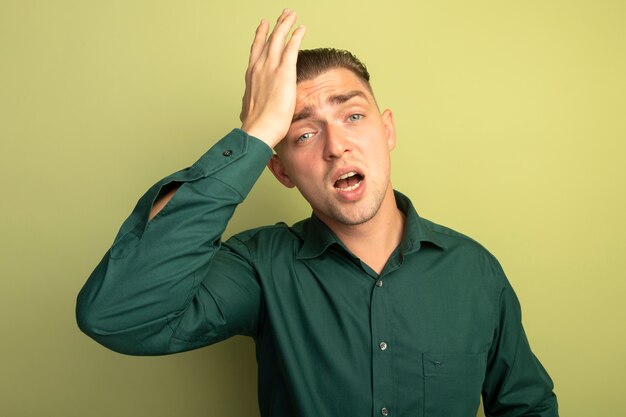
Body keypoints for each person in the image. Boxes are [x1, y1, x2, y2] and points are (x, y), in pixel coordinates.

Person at [76, 9, 558, 417]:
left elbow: (527, 406)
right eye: (304, 134)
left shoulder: (474, 270)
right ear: (280, 170)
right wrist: (255, 134)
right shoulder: (259, 266)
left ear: (386, 131)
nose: (336, 145)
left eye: (352, 116)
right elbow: (116, 315)